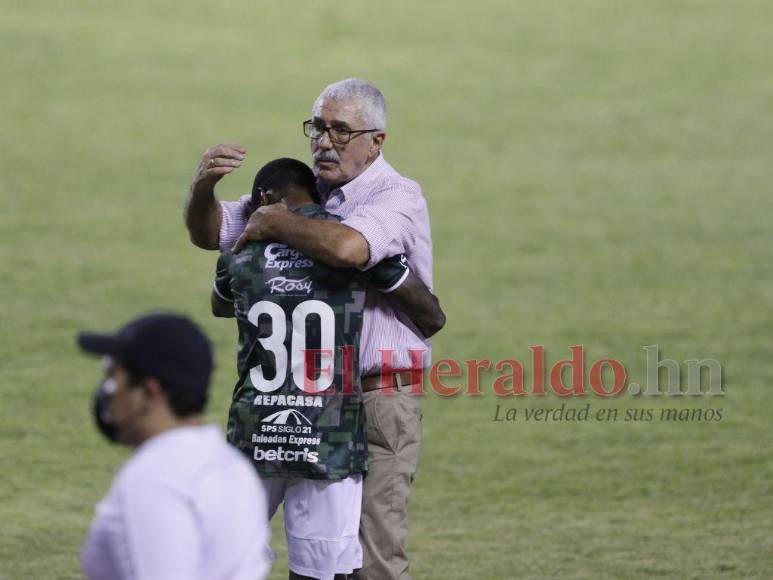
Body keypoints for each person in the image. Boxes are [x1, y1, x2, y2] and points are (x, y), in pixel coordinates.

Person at [186, 78, 436, 580]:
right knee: (309, 559)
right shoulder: (299, 191)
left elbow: (349, 248)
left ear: (376, 141)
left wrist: (278, 222)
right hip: (300, 399)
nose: (324, 141)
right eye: (317, 128)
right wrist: (202, 188)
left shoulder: (395, 195)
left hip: (377, 397)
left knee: (374, 561)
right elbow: (212, 232)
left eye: (340, 130)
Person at [77, 312, 270, 580]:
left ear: (149, 391)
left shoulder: (155, 478)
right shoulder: (233, 466)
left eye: (113, 377)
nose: (108, 392)